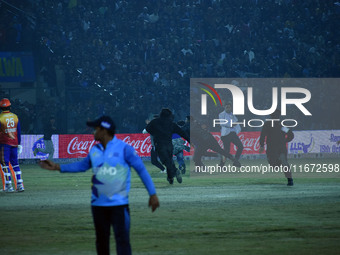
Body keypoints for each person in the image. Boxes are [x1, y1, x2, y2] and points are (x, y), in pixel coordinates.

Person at [39, 115, 159, 255]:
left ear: (104, 130)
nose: (93, 132)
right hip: (97, 205)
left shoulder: (125, 149)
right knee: (101, 242)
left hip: (119, 205)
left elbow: (142, 170)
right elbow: (82, 166)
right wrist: (58, 167)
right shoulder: (94, 150)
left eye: (95, 129)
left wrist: (153, 194)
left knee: (123, 242)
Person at [145, 108, 190, 184]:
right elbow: (182, 132)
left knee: (166, 162)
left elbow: (147, 129)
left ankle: (174, 172)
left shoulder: (154, 122)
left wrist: (155, 133)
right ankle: (170, 178)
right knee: (169, 160)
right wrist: (189, 140)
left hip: (160, 145)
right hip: (169, 145)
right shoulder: (171, 123)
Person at [259, 109, 294, 186]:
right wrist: (285, 140)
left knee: (278, 163)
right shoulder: (281, 124)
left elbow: (262, 135)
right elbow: (291, 135)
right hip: (280, 147)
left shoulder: (268, 124)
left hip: (272, 148)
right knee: (283, 162)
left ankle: (289, 178)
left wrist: (262, 145)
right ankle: (290, 179)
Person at [0, 98, 24, 192]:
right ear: (10, 106)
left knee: (5, 165)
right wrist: (19, 144)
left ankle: (9, 185)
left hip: (4, 144)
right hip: (14, 144)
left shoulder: (0, 118)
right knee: (15, 164)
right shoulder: (15, 116)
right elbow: (19, 131)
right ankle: (20, 185)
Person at [219, 102, 243, 167]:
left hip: (233, 133)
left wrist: (237, 130)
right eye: (227, 107)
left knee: (240, 146)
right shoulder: (222, 114)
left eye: (229, 107)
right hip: (225, 134)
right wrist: (231, 125)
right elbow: (222, 123)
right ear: (224, 107)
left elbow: (237, 122)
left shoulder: (232, 115)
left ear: (231, 108)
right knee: (226, 151)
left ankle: (236, 161)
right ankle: (221, 165)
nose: (228, 108)